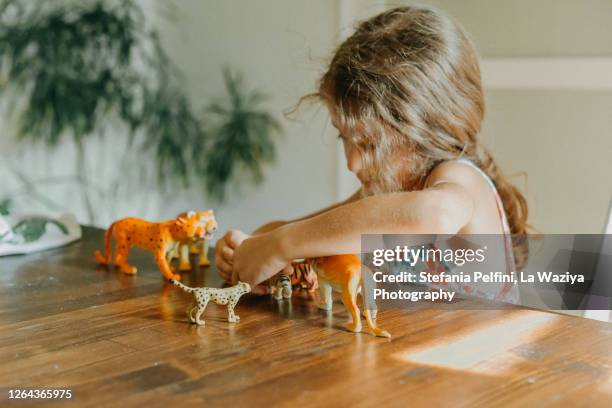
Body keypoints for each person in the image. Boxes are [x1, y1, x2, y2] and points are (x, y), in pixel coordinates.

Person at [215, 6, 528, 301]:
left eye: (369, 144)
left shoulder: (459, 179)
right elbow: (317, 228)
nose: (352, 162)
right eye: (344, 139)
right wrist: (252, 248)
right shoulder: (387, 193)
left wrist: (281, 245)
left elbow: (435, 214)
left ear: (429, 131)